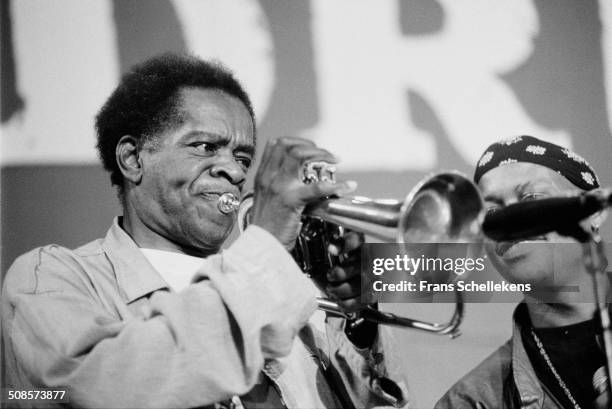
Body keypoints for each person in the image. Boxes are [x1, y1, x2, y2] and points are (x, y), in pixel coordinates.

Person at [2, 53, 409, 409]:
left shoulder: (289, 292)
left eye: (243, 157)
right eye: (204, 147)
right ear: (132, 159)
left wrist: (359, 321)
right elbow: (103, 386)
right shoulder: (54, 276)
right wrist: (265, 244)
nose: (233, 171)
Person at [436, 135, 608, 409]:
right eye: (491, 212)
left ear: (595, 211)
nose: (512, 220)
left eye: (531, 198)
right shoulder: (470, 402)